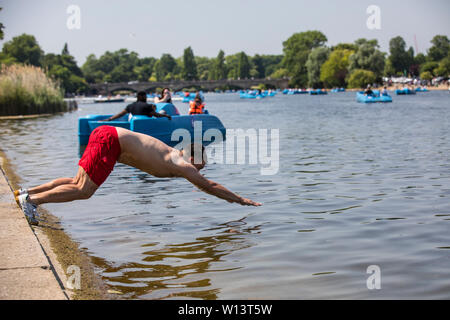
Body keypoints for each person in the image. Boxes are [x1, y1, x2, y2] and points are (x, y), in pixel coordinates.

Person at [15, 126, 261, 225]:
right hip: (112, 141)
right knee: (84, 191)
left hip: (106, 134)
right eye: (200, 167)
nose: (198, 173)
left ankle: (27, 193)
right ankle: (32, 202)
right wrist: (240, 200)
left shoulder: (175, 155)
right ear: (193, 158)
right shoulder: (182, 163)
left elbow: (204, 184)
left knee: (75, 182)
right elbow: (210, 186)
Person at [103, 91, 171, 122]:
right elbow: (156, 115)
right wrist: (166, 116)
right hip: (145, 125)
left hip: (135, 123)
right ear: (141, 97)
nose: (146, 98)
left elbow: (120, 114)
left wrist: (109, 119)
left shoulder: (130, 106)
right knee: (163, 112)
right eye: (145, 97)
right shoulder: (147, 106)